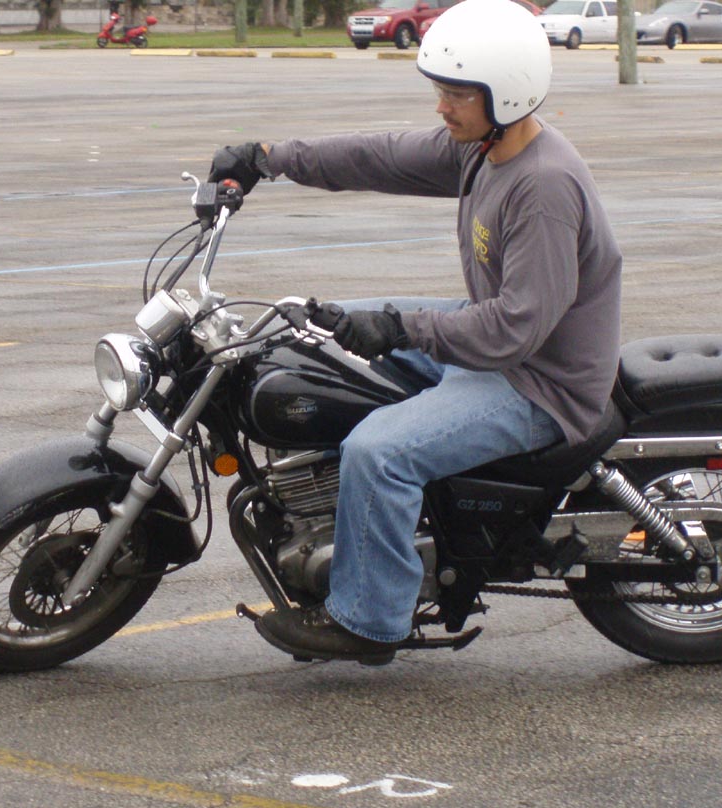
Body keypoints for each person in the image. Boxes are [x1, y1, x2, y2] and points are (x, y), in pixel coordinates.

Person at [208, 0, 623, 666]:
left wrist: (400, 329)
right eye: (441, 90)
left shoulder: (543, 186)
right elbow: (379, 156)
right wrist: (268, 157)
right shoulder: (484, 148)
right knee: (316, 335)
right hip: (501, 343)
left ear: (506, 91)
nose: (442, 106)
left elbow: (514, 329)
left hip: (541, 381)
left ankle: (370, 621)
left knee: (380, 451)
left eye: (458, 93)